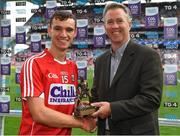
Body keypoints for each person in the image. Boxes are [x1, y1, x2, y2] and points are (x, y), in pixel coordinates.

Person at [90, 2, 163, 135]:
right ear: (105, 27)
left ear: (129, 24)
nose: (115, 26)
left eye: (119, 21)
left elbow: (151, 99)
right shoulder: (100, 61)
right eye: (110, 22)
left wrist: (112, 109)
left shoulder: (148, 55)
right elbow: (96, 95)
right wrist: (86, 107)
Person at [19, 11, 96, 135]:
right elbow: (39, 114)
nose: (63, 34)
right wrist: (82, 123)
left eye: (69, 30)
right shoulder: (34, 63)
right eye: (58, 29)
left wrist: (84, 109)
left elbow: (65, 103)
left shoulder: (73, 67)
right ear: (49, 31)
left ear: (75, 33)